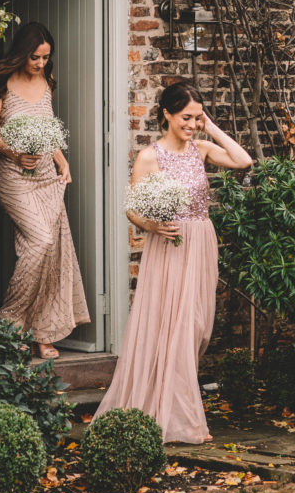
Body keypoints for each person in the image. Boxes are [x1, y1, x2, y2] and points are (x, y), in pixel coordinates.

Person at [94, 82, 252, 443]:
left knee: (198, 327)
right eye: (186, 117)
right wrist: (154, 225)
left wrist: (210, 126)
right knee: (173, 329)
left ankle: (178, 405)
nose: (192, 124)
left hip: (201, 243)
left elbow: (243, 161)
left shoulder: (203, 149)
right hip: (169, 246)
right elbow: (132, 209)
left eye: (197, 117)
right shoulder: (150, 157)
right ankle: (177, 417)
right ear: (166, 113)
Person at [0, 22, 90, 359]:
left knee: (54, 249)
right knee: (40, 242)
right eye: (35, 57)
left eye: (46, 58)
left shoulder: (46, 81)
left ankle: (42, 332)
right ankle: (9, 323)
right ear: (21, 52)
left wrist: (62, 160)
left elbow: (47, 127)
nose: (41, 64)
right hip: (13, 174)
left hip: (47, 174)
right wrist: (16, 153)